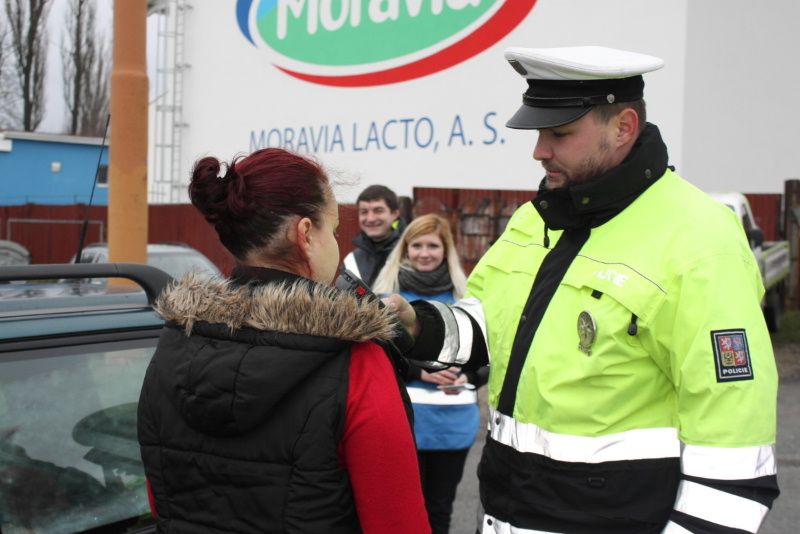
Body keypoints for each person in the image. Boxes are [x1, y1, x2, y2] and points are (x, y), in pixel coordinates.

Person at [388, 46, 780, 533]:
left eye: (560, 134)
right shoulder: (535, 219)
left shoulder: (700, 240)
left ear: (623, 128)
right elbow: (489, 327)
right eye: (538, 133)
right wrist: (415, 323)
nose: (539, 150)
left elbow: (733, 457)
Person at [137, 148, 431, 534]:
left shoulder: (173, 345)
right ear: (306, 234)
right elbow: (399, 525)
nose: (338, 245)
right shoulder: (357, 363)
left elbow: (163, 498)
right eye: (334, 230)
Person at [373, 214, 487, 534]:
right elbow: (376, 356)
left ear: (446, 250)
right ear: (405, 250)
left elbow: (489, 357)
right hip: (402, 424)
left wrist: (471, 378)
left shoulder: (467, 300)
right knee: (407, 513)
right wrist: (419, 374)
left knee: (440, 509)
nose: (425, 253)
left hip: (454, 427)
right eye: (417, 245)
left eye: (433, 245)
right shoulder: (388, 298)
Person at [342, 184, 404, 286]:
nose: (370, 219)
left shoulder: (410, 253)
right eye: (364, 212)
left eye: (378, 211)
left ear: (395, 214)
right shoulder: (351, 260)